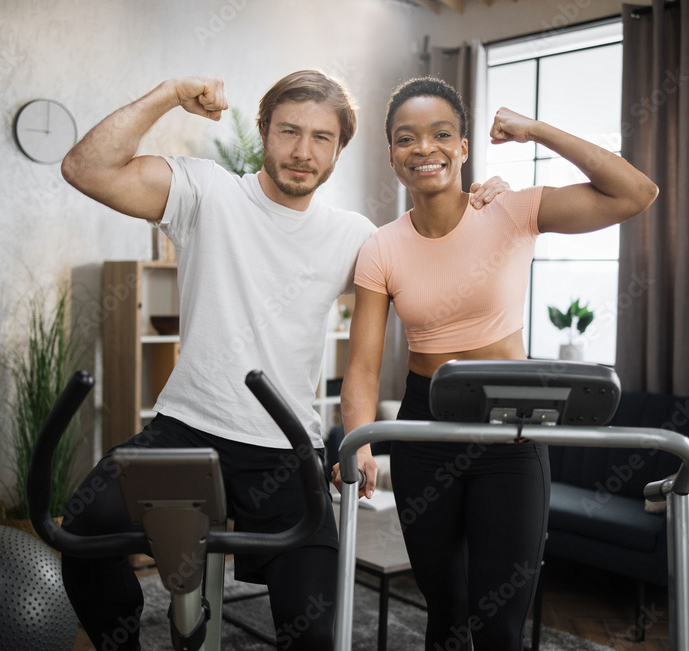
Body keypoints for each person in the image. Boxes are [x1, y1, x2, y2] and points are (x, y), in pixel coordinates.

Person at [58, 70, 507, 651]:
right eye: (289, 131)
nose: (302, 151)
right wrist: (170, 94)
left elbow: (438, 259)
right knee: (84, 530)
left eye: (322, 138)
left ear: (340, 150)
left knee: (314, 629)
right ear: (264, 131)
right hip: (187, 429)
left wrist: (483, 207)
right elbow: (84, 168)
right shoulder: (206, 193)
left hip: (287, 448)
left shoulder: (355, 236)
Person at [333, 77, 658, 650]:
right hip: (423, 432)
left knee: (500, 625)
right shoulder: (381, 246)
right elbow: (361, 366)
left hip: (512, 431)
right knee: (446, 611)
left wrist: (534, 130)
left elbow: (636, 193)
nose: (423, 148)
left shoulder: (510, 210)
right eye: (406, 139)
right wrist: (357, 440)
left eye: (441, 135)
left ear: (463, 147)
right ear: (391, 155)